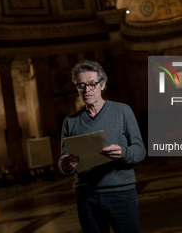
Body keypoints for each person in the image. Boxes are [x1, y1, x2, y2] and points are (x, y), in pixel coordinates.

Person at [57, 59, 146, 233]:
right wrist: (65, 165)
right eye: (81, 85)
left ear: (103, 84)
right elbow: (62, 161)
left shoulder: (122, 111)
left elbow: (140, 150)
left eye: (92, 84)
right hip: (86, 196)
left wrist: (123, 152)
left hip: (121, 193)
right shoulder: (70, 122)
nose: (86, 90)